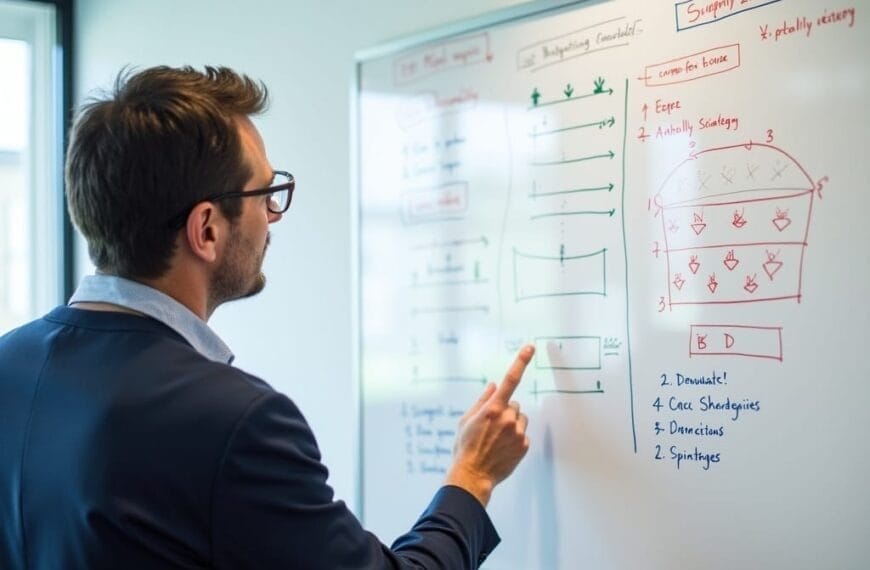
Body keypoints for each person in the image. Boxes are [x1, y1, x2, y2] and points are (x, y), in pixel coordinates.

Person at [0, 65, 535, 569]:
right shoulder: (232, 421)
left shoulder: (9, 364)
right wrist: (472, 476)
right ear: (206, 229)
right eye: (266, 195)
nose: (273, 218)